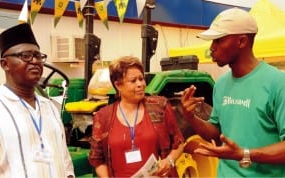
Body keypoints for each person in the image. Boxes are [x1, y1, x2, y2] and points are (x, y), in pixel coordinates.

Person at [181, 7, 285, 177]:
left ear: (242, 41)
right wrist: (190, 117)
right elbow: (216, 133)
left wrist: (245, 154)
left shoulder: (278, 83)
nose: (212, 48)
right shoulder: (221, 84)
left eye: (218, 41)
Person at [0, 23, 75, 178]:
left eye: (38, 56)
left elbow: (65, 162)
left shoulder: (50, 107)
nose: (35, 61)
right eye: (25, 56)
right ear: (5, 64)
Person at [88, 56, 185, 177]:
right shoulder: (103, 117)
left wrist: (169, 161)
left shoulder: (160, 107)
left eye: (141, 79)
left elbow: (179, 143)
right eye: (133, 81)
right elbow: (98, 159)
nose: (140, 84)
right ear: (118, 85)